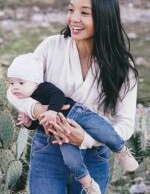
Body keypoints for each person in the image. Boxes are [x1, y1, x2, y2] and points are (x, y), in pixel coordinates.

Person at [6, 0, 138, 194]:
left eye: (84, 13)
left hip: (94, 156)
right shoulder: (51, 46)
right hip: (49, 148)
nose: (73, 19)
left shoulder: (123, 68)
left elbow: (126, 124)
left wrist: (86, 139)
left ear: (104, 17)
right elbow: (14, 89)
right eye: (70, 10)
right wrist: (38, 111)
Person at [7, 53, 138, 194]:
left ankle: (121, 150)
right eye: (11, 83)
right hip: (61, 136)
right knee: (72, 160)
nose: (15, 87)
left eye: (21, 83)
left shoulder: (43, 88)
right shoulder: (28, 101)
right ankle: (88, 184)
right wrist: (28, 122)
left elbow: (58, 95)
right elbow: (38, 124)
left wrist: (51, 111)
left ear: (34, 81)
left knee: (102, 129)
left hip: (77, 114)